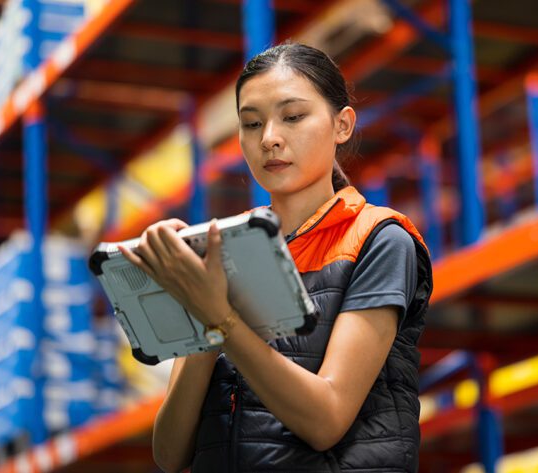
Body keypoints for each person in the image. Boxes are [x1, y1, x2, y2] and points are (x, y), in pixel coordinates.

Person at [120, 43, 433, 473]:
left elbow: (326, 420)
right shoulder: (221, 248)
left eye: (293, 116)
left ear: (342, 125)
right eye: (251, 123)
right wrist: (196, 304)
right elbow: (170, 453)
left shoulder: (380, 239)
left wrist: (220, 319)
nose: (269, 138)